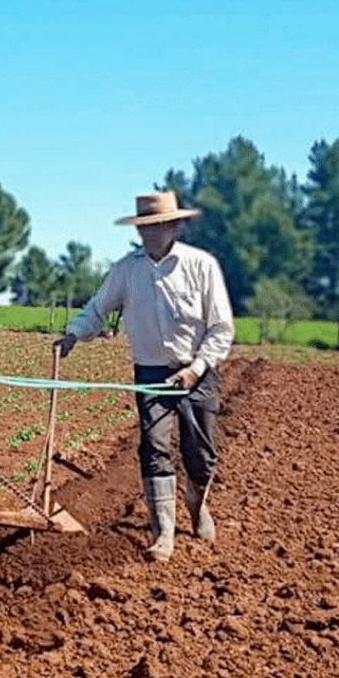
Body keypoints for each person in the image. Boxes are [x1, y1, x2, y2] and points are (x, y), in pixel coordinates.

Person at [54, 192, 234, 562]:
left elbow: (221, 329)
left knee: (200, 455)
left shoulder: (201, 265)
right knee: (154, 447)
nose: (151, 234)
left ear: (175, 226)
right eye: (145, 228)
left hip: (198, 371)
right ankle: (163, 532)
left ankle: (196, 503)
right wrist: (74, 333)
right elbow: (97, 307)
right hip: (150, 372)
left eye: (158, 226)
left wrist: (195, 368)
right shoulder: (126, 269)